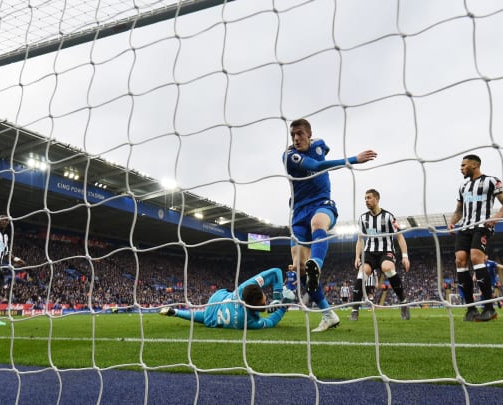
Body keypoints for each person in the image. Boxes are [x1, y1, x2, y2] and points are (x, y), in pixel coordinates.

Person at [283, 118, 377, 332]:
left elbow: (322, 148)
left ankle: (315, 263)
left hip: (322, 204)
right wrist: (354, 159)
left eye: (300, 133)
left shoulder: (318, 144)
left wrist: (321, 147)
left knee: (318, 222)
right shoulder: (289, 156)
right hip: (298, 213)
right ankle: (328, 315)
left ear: (309, 133)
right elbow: (316, 165)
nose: (296, 138)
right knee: (299, 267)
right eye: (293, 135)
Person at [447, 154, 503, 322]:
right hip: (465, 227)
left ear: (474, 165)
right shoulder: (463, 186)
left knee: (476, 257)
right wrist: (452, 222)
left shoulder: (492, 181)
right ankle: (471, 309)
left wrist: (495, 217)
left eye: (463, 165)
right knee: (460, 260)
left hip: (482, 225)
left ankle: (489, 308)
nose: (461, 168)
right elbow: (459, 210)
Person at [349, 189, 411, 321]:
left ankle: (403, 302)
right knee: (362, 272)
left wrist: (405, 256)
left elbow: (399, 237)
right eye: (365, 198)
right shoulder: (363, 218)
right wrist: (357, 256)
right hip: (369, 252)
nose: (366, 200)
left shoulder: (388, 216)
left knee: (387, 268)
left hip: (386, 250)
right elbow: (360, 239)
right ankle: (355, 310)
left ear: (377, 199)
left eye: (369, 198)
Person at [159, 268, 288, 330]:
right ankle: (175, 312)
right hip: (214, 315)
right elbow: (271, 322)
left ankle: (174, 312)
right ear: (252, 307)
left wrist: (277, 298)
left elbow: (276, 272)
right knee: (204, 317)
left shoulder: (244, 289)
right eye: (264, 302)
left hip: (217, 298)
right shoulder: (248, 322)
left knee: (205, 316)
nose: (266, 302)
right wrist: (283, 307)